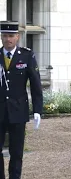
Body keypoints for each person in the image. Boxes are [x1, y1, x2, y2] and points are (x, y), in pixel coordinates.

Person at [0, 21, 43, 178]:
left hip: (18, 110)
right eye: (5, 36)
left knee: (16, 151)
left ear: (17, 37)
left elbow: (36, 85)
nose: (8, 39)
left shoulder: (26, 55)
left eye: (11, 36)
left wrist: (38, 110)